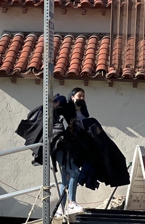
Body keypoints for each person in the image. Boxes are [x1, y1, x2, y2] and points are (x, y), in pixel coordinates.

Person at [52, 88, 88, 216]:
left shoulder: (84, 114)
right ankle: (72, 203)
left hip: (75, 149)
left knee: (65, 180)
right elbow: (60, 102)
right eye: (79, 96)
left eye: (83, 96)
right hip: (64, 147)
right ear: (72, 97)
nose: (82, 98)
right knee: (75, 172)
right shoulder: (68, 108)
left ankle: (61, 209)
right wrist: (57, 102)